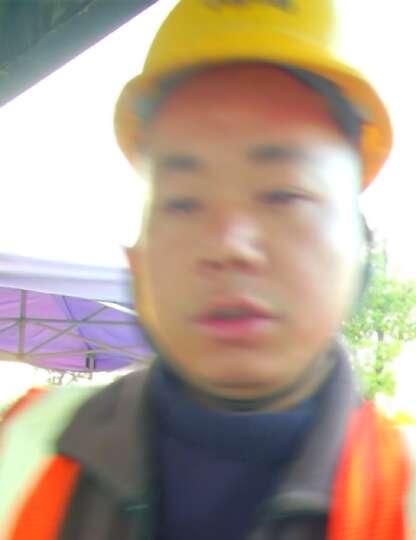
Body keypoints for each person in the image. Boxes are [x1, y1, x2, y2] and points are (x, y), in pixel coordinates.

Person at [1, 0, 414, 538]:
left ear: (359, 248)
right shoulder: (19, 450)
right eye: (183, 201)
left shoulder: (403, 498)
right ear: (137, 257)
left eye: (284, 195)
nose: (229, 246)